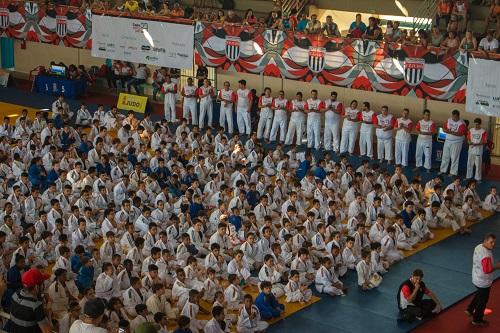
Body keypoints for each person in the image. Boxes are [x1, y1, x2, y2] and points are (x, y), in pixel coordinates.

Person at [467, 233, 500, 326]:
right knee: (483, 301)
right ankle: (477, 319)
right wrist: (497, 266)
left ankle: (470, 309)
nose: (493, 244)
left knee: (479, 294)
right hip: (483, 281)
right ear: (485, 241)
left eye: (494, 242)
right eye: (491, 242)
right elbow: (487, 270)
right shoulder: (486, 255)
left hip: (476, 277)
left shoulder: (478, 247)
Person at [9, 268, 53, 333]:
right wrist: (49, 313)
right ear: (36, 287)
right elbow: (47, 331)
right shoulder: (36, 305)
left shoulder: (15, 295)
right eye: (41, 283)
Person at [439, 110, 466, 176]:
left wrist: (450, 132)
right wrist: (447, 131)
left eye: (455, 117)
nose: (454, 118)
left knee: (454, 157)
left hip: (456, 142)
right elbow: (444, 129)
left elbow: (460, 133)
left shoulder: (462, 123)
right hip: (447, 141)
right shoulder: (449, 120)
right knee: (445, 156)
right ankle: (443, 170)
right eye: (453, 117)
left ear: (458, 116)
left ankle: (453, 172)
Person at [466, 118, 487, 182]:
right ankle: (468, 176)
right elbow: (468, 138)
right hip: (471, 150)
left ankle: (478, 178)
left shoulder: (483, 131)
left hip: (478, 151)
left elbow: (484, 141)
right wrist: (469, 142)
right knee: (469, 164)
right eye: (475, 124)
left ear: (480, 124)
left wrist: (476, 144)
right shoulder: (471, 130)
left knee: (478, 165)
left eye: (477, 124)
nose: (476, 126)